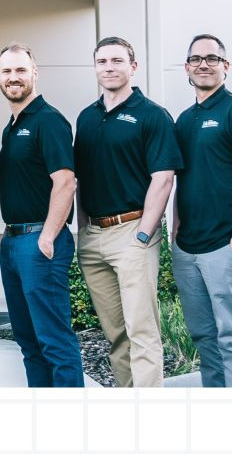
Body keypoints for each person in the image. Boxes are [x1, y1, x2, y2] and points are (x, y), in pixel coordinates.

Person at [73, 37, 182, 388]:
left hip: (133, 230)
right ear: (95, 68)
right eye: (102, 61)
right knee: (115, 333)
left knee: (141, 329)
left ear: (133, 67)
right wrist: (83, 229)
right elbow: (80, 178)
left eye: (117, 61)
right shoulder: (86, 118)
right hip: (94, 237)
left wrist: (143, 235)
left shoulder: (152, 115)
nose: (109, 67)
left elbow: (163, 179)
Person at [171, 34, 232, 387]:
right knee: (204, 337)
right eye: (196, 59)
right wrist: (175, 239)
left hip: (228, 246)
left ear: (226, 67)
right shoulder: (184, 120)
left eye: (212, 59)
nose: (203, 65)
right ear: (186, 68)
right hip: (189, 248)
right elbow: (181, 182)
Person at [0, 42, 85, 387]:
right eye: (6, 71)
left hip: (39, 243)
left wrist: (47, 236)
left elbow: (65, 182)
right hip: (14, 242)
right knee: (29, 343)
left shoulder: (48, 121)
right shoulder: (12, 126)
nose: (13, 77)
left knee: (54, 341)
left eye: (20, 70)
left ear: (34, 73)